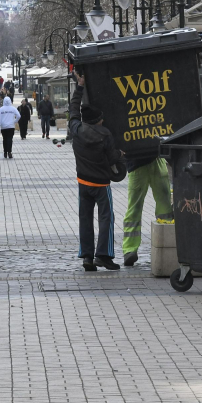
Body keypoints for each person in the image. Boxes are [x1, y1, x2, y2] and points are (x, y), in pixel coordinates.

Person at [69, 71, 125, 271]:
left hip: (83, 183)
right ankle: (103, 255)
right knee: (106, 218)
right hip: (101, 185)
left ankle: (87, 257)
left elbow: (74, 109)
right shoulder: (105, 134)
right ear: (98, 120)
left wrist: (80, 86)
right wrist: (120, 154)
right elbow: (111, 158)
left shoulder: (76, 129)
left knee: (85, 219)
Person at [121, 156, 174, 266]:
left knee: (162, 208)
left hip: (143, 162)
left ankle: (130, 250)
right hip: (147, 161)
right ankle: (130, 249)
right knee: (162, 207)